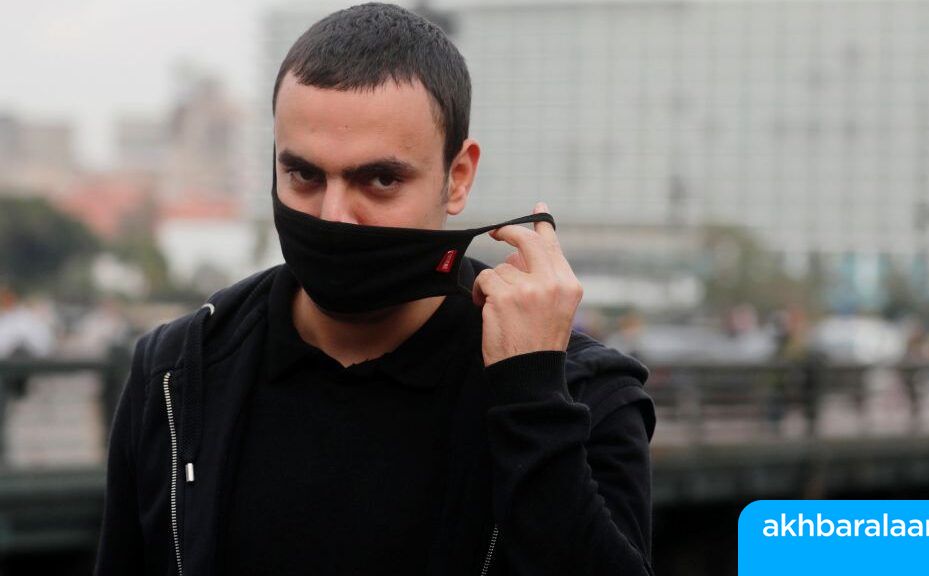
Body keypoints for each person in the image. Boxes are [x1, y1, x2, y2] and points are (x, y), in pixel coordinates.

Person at [94, 4, 655, 575]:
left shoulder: (583, 395)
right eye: (304, 175)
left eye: (381, 179)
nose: (335, 216)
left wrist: (532, 397)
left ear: (457, 177)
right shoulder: (177, 374)